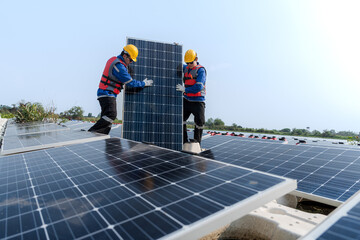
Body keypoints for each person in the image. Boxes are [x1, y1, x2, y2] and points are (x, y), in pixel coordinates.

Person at [88, 44, 153, 134]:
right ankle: (91, 132)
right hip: (107, 94)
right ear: (125, 55)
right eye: (130, 60)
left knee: (107, 118)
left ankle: (100, 135)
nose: (131, 62)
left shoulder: (115, 60)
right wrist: (143, 83)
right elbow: (130, 82)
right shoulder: (118, 66)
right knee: (111, 114)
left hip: (106, 93)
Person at [176, 49, 206, 144]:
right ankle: (184, 140)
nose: (188, 64)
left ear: (196, 59)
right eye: (187, 63)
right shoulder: (186, 68)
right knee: (181, 119)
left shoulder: (201, 70)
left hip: (198, 101)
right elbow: (176, 65)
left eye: (190, 62)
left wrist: (185, 89)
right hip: (187, 100)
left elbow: (199, 86)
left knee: (199, 122)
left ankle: (196, 143)